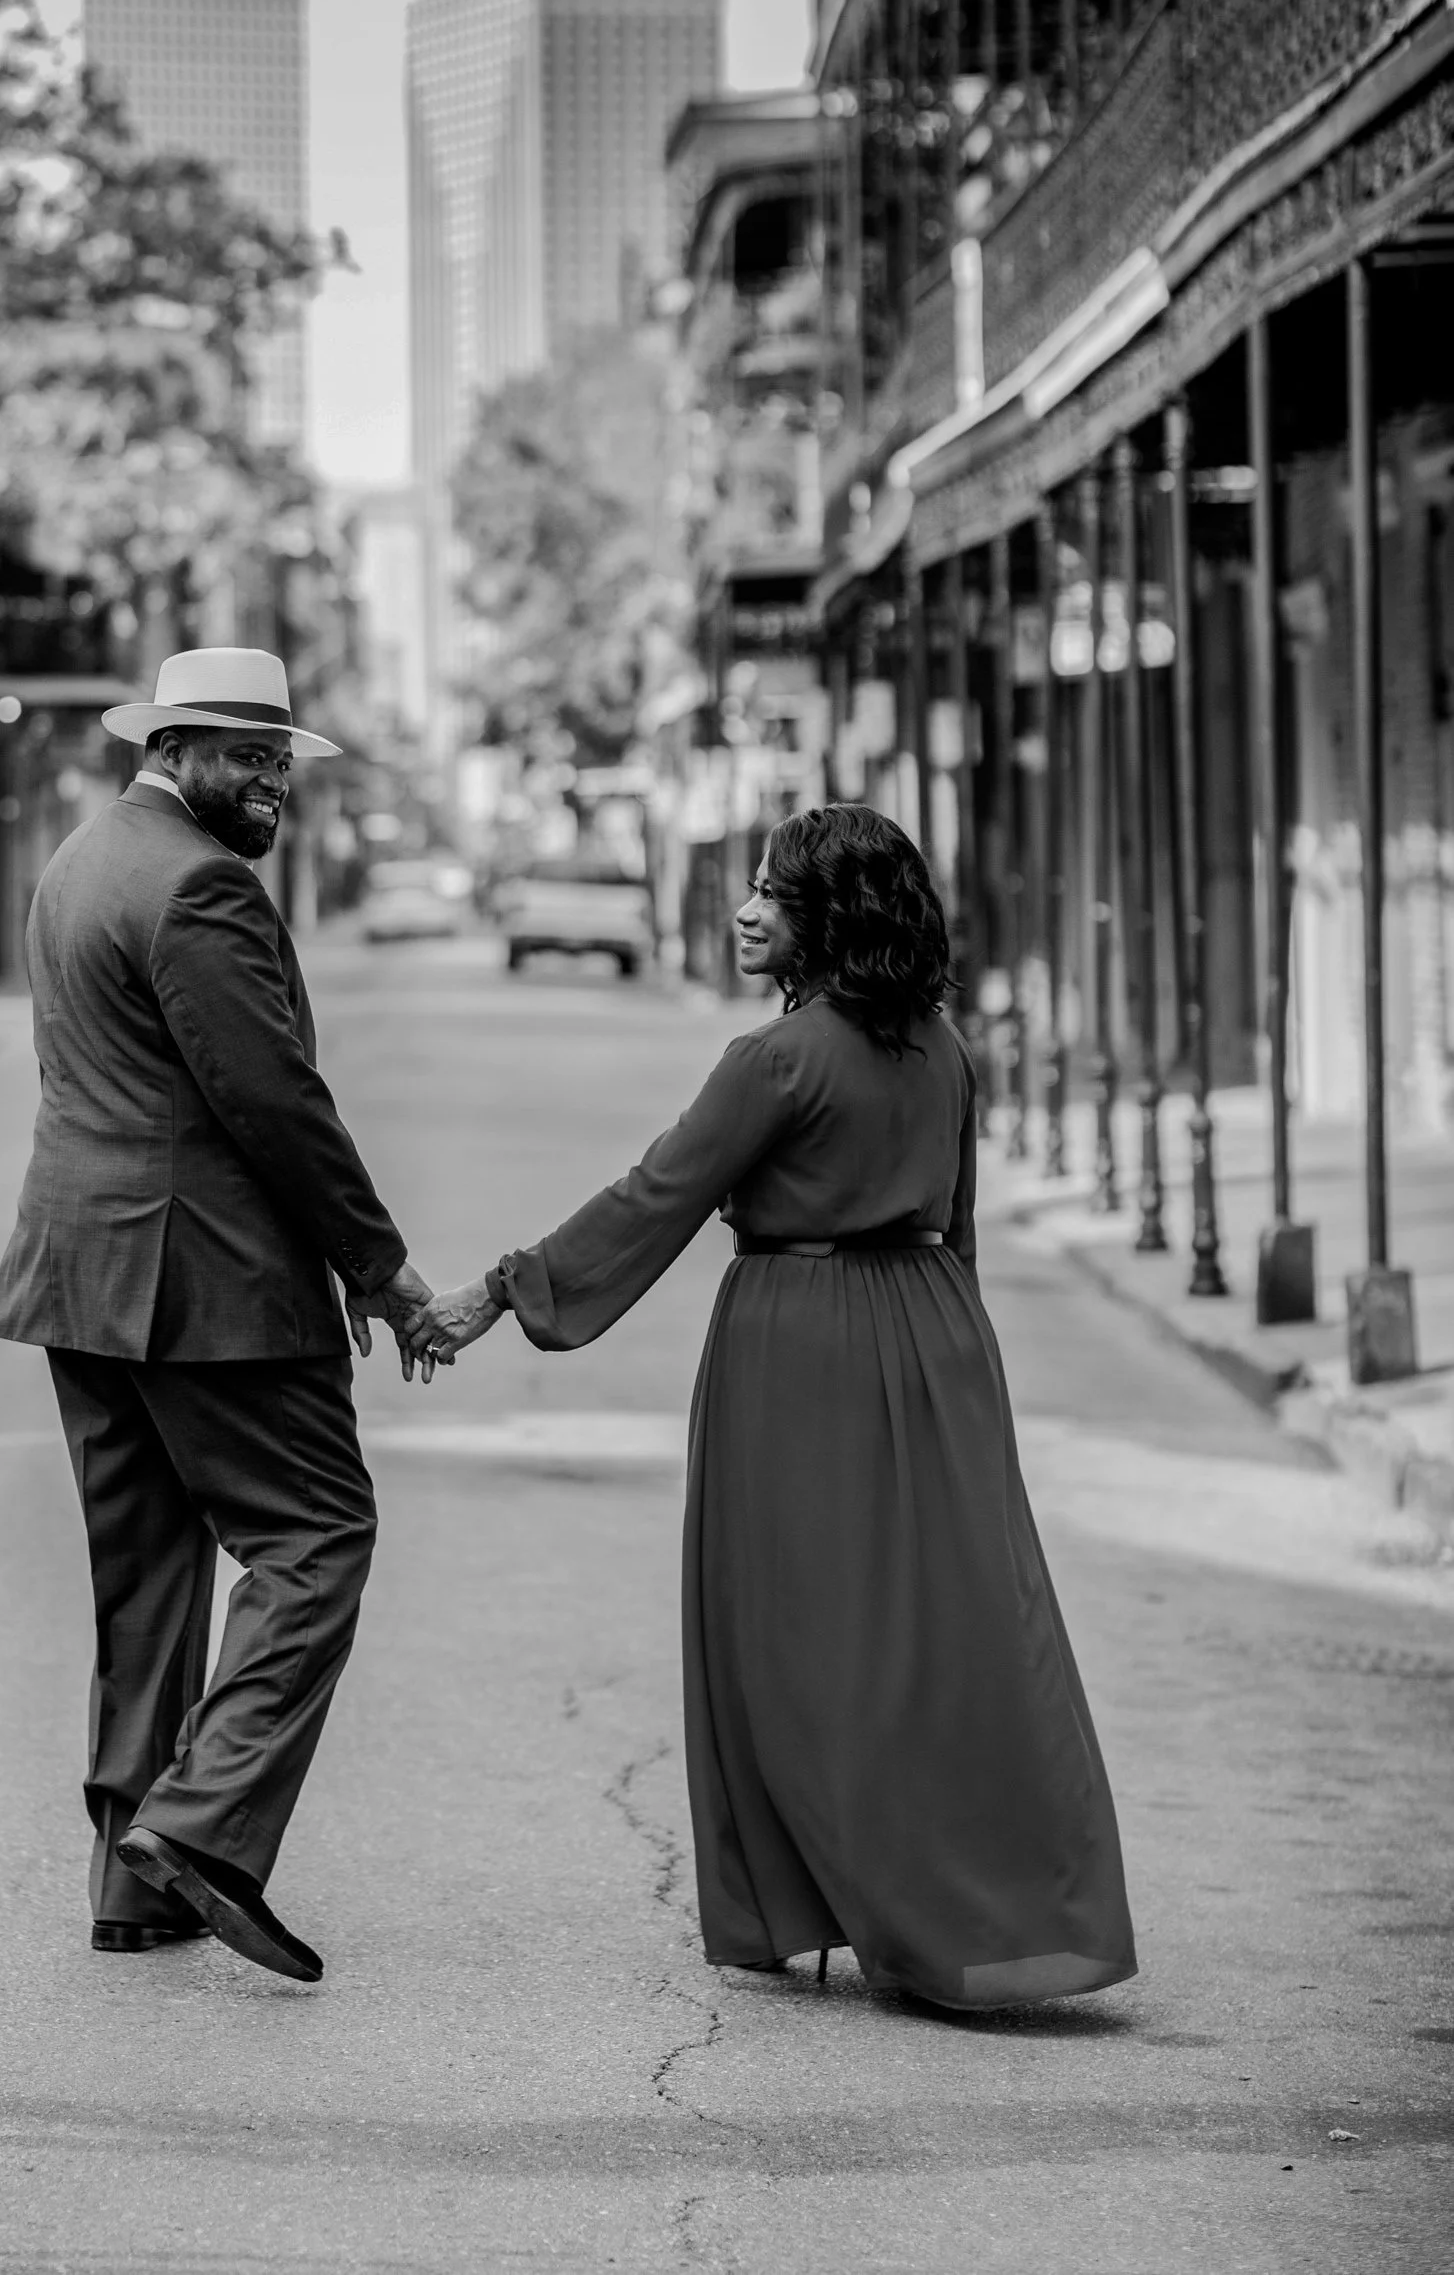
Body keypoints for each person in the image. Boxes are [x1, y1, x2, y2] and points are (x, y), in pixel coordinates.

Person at [410, 804, 1137, 2014]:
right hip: (941, 1339)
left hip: (799, 1347)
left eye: (772, 895)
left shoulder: (775, 1060)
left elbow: (658, 1196)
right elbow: (958, 1230)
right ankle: (997, 1899)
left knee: (793, 1644)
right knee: (950, 1636)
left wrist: (494, 1296)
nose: (747, 911)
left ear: (828, 918)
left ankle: (843, 1901)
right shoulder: (946, 1049)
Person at [0, 647, 435, 1984]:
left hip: (79, 1275)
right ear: (177, 747)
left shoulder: (76, 861)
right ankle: (202, 1827)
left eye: (281, 754)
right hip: (204, 1285)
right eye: (252, 756)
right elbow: (274, 1102)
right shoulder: (201, 887)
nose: (275, 780)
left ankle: (131, 1876)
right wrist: (375, 1266)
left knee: (146, 1575)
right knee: (315, 1534)